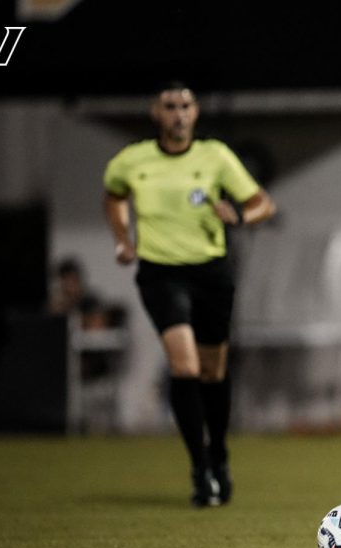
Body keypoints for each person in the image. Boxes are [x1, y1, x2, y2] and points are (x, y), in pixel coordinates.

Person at [103, 82, 276, 507]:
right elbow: (114, 195)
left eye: (185, 105)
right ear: (156, 113)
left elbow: (262, 204)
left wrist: (238, 214)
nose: (178, 113)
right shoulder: (132, 160)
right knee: (184, 366)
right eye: (169, 106)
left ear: (195, 112)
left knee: (212, 373)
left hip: (211, 273)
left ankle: (218, 456)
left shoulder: (214, 156)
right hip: (160, 273)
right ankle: (200, 469)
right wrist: (124, 239)